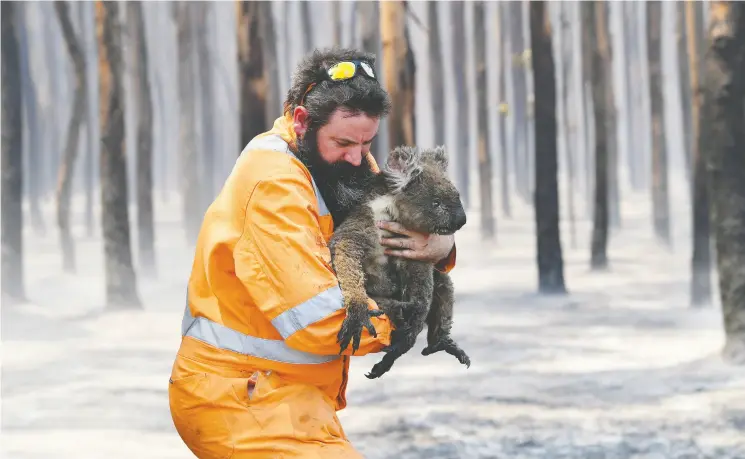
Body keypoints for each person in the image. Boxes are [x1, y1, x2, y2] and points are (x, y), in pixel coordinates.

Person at [168, 48, 458, 458]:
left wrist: (442, 247)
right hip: (238, 398)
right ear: (303, 121)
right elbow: (321, 318)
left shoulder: (338, 159)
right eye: (344, 143)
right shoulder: (274, 184)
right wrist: (409, 318)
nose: (360, 157)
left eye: (367, 142)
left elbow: (399, 228)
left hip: (290, 397)